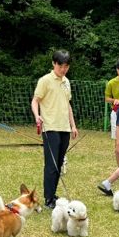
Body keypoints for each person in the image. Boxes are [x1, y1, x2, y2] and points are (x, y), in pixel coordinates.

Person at [31, 49, 79, 209]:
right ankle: (48, 198)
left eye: (66, 66)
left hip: (64, 127)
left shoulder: (67, 82)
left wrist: (73, 125)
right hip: (50, 127)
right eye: (61, 66)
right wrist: (37, 116)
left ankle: (53, 194)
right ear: (54, 63)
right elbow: (35, 101)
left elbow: (68, 105)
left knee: (59, 163)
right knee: (51, 164)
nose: (63, 69)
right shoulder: (45, 80)